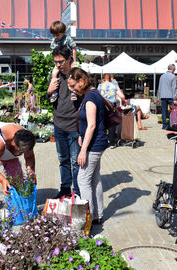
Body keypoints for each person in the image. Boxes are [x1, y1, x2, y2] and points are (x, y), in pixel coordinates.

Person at [68, 67, 108, 224]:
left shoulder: (90, 98)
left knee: (83, 179)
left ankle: (87, 220)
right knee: (95, 179)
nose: (72, 89)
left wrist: (83, 150)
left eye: (73, 85)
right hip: (96, 142)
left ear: (82, 81)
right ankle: (97, 214)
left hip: (93, 145)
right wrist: (81, 135)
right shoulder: (93, 93)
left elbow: (92, 125)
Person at [47, 46, 81, 198]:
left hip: (74, 125)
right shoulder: (54, 77)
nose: (58, 65)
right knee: (63, 160)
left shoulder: (78, 75)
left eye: (61, 61)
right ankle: (65, 189)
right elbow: (50, 100)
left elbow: (85, 97)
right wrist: (49, 91)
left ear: (69, 59)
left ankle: (78, 191)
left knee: (75, 161)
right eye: (55, 62)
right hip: (59, 124)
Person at [49, 21, 77, 103]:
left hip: (69, 59)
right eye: (54, 35)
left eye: (57, 35)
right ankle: (55, 92)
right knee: (54, 73)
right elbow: (54, 53)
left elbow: (74, 48)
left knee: (73, 73)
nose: (56, 37)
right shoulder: (54, 41)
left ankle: (73, 91)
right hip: (59, 59)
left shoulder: (67, 38)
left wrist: (74, 61)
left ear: (63, 32)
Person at [97, 73, 125, 149]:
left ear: (103, 79)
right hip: (111, 106)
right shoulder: (114, 85)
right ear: (110, 79)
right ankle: (112, 143)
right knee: (111, 124)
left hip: (102, 105)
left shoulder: (100, 86)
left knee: (102, 123)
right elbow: (122, 96)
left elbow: (97, 95)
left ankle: (103, 141)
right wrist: (123, 100)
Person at [158, 64, 177, 129]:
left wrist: (159, 96)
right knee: (172, 110)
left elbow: (159, 87)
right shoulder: (173, 76)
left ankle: (164, 125)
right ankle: (170, 124)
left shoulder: (162, 76)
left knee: (163, 111)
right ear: (173, 69)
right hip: (170, 96)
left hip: (163, 96)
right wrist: (175, 98)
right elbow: (174, 88)